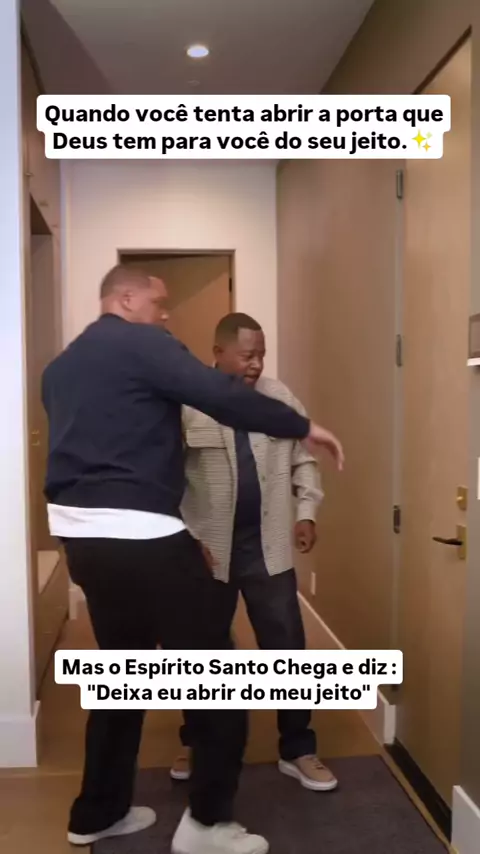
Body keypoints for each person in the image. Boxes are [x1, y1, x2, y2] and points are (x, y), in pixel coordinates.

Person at [42, 267, 344, 854]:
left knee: (123, 675)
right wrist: (304, 427)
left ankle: (96, 812)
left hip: (83, 543)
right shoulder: (143, 344)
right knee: (219, 678)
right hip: (145, 535)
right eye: (158, 303)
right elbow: (220, 396)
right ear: (125, 298)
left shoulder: (61, 368)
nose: (165, 315)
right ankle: (207, 825)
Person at [171, 313, 338, 793]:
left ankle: (298, 749)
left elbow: (304, 459)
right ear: (218, 352)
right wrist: (185, 539)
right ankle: (199, 742)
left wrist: (306, 512)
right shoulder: (189, 403)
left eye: (261, 354)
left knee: (288, 651)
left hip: (268, 548)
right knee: (201, 654)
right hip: (209, 552)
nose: (256, 364)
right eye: (247, 355)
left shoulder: (278, 398)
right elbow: (168, 475)